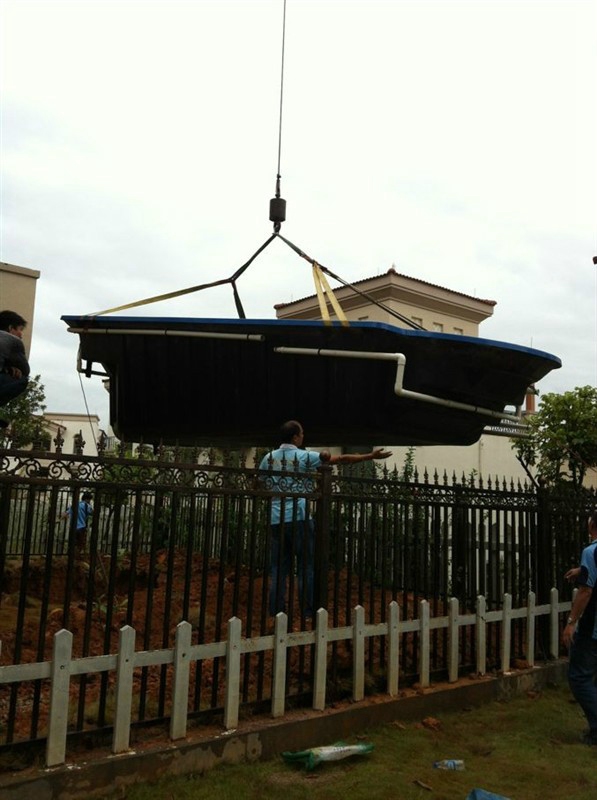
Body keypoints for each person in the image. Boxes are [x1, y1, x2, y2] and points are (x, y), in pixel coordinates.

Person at [260, 420, 391, 619]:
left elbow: (260, 482)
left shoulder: (268, 458)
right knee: (305, 566)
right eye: (301, 433)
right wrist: (370, 456)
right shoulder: (303, 456)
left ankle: (275, 612)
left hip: (276, 519)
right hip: (299, 518)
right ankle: (307, 613)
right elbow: (341, 459)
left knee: (278, 568)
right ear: (295, 437)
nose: (303, 436)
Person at [562, 508, 597, 745]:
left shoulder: (591, 552)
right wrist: (582, 571)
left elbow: (586, 591)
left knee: (579, 678)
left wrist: (571, 622)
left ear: (592, 525)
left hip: (593, 628)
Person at [0, 310, 30, 428]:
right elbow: (25, 369)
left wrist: (6, 368)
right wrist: (11, 369)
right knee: (21, 379)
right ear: (10, 328)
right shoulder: (12, 340)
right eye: (20, 329)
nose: (21, 335)